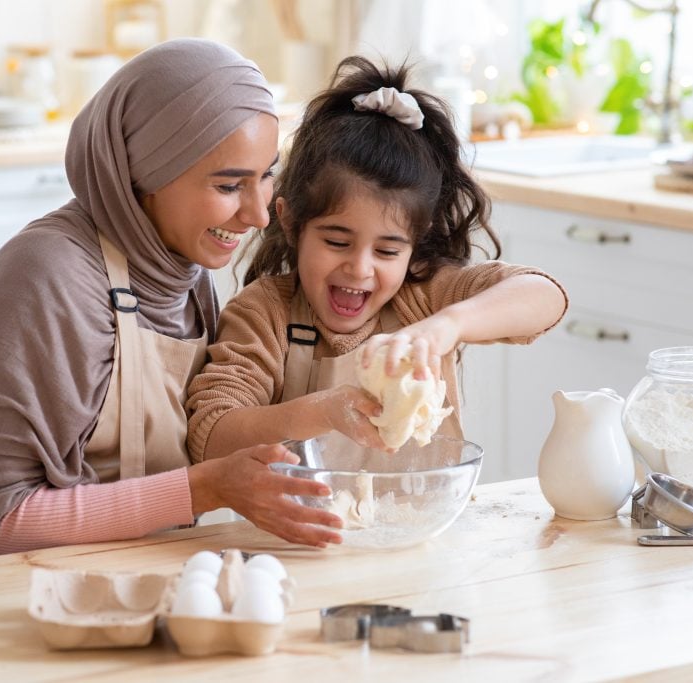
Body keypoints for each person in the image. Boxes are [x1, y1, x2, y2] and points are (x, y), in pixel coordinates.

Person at [0, 39, 346, 564]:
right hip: (18, 596)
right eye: (230, 185)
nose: (258, 215)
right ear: (142, 177)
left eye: (267, 174)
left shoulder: (182, 271)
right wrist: (204, 489)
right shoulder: (45, 278)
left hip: (145, 581)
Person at [185, 56, 569, 463]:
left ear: (415, 245)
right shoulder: (266, 314)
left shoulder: (423, 296)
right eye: (337, 241)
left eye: (387, 251)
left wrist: (447, 326)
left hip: (423, 521)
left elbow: (546, 297)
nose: (360, 268)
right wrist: (323, 412)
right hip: (293, 526)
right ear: (292, 223)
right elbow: (211, 436)